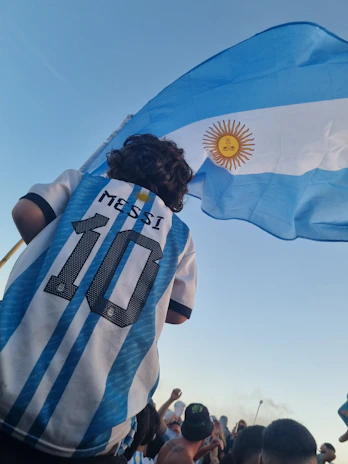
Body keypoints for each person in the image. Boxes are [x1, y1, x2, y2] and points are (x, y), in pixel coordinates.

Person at [0, 134, 196, 462]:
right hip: (91, 425)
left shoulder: (82, 183)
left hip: (9, 375)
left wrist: (59, 257)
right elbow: (178, 313)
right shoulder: (179, 233)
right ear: (176, 191)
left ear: (119, 162)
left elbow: (26, 213)